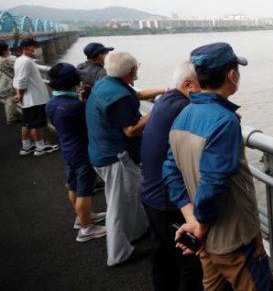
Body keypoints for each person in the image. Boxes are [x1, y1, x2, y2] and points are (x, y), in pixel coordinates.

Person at [163, 42, 273, 291]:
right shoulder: (225, 122)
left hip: (205, 241)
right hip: (234, 241)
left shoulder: (183, 115)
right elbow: (213, 182)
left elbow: (170, 171)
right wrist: (199, 225)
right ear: (231, 75)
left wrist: (192, 221)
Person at [86, 50, 164, 266]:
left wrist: (167, 91)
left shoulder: (107, 84)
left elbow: (136, 95)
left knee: (131, 196)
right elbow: (131, 130)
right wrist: (157, 112)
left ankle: (138, 232)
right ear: (132, 70)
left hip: (100, 152)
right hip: (115, 158)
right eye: (137, 65)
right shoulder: (119, 97)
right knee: (118, 206)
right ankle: (118, 254)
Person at [140, 61, 203, 291]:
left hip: (151, 193)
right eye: (202, 86)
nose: (205, 93)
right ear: (187, 85)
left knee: (162, 257)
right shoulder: (183, 109)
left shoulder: (164, 101)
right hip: (169, 201)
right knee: (189, 263)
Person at [46, 63, 107, 242]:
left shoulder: (52, 103)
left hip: (67, 149)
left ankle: (82, 217)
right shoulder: (75, 106)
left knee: (72, 185)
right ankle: (86, 228)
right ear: (73, 81)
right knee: (84, 191)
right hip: (81, 151)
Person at [12, 38, 58, 156]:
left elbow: (17, 79)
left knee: (27, 123)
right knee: (35, 125)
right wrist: (19, 95)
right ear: (24, 48)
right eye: (32, 46)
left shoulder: (20, 60)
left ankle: (26, 147)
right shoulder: (26, 62)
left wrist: (19, 95)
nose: (34, 49)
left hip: (29, 99)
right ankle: (40, 147)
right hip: (34, 99)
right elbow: (21, 81)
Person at [0, 41, 22, 124]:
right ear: (4, 50)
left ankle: (12, 116)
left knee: (9, 101)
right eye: (7, 48)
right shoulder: (9, 59)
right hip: (9, 84)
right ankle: (11, 118)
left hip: (3, 83)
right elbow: (18, 63)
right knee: (10, 101)